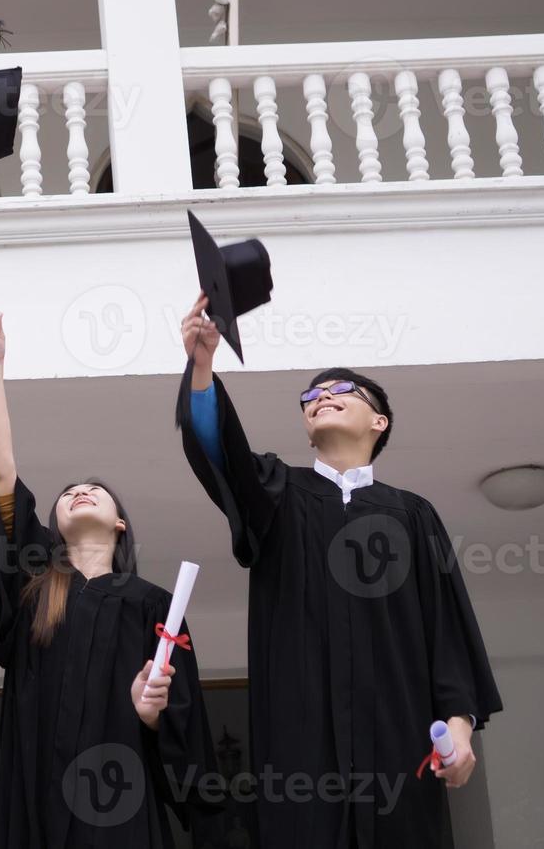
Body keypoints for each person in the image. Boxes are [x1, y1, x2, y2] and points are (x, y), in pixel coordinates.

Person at [177, 292, 502, 849]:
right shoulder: (278, 494)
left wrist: (460, 725)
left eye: (340, 390)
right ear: (306, 426)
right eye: (311, 395)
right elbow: (221, 456)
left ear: (380, 421)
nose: (322, 397)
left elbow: (446, 628)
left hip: (398, 739)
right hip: (301, 745)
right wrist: (202, 367)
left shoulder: (413, 513)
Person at [0, 302, 218, 848]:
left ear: (120, 522)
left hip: (119, 804)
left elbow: (185, 728)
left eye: (95, 490)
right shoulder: (33, 586)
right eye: (68, 494)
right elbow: (1, 474)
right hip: (35, 800)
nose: (79, 491)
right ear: (53, 526)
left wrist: (152, 715)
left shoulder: (156, 607)